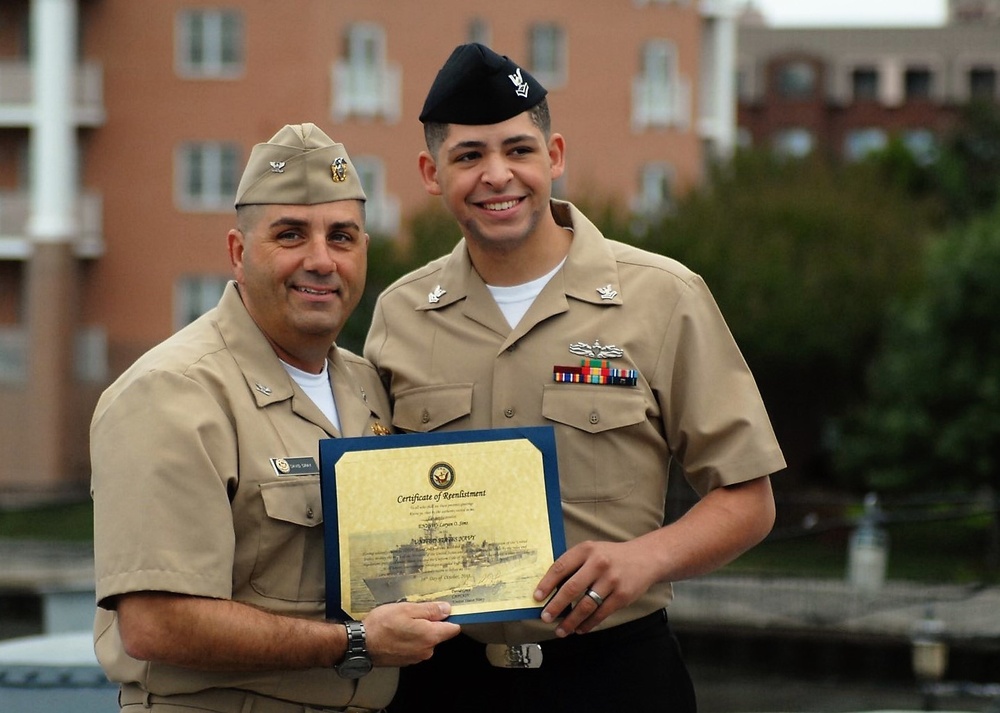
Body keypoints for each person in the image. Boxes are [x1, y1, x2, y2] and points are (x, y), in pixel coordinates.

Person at [364, 44, 786, 713]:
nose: (497, 175)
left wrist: (643, 558)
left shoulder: (663, 296)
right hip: (440, 681)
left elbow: (749, 498)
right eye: (469, 155)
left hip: (614, 676)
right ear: (430, 172)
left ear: (554, 155)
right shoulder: (399, 314)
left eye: (518, 150)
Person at [90, 123, 460, 713]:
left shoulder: (369, 387)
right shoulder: (173, 394)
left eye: (342, 237)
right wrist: (355, 642)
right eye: (290, 235)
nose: (320, 260)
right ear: (238, 253)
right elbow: (155, 623)